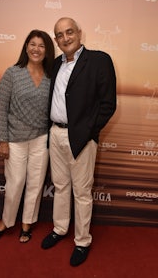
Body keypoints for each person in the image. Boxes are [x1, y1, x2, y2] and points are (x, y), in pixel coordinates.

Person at [41, 17, 116, 266]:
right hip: (56, 133)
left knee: (82, 193)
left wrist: (88, 131)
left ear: (79, 33)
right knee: (60, 186)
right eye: (59, 35)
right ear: (56, 40)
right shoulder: (55, 64)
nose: (65, 38)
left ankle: (82, 241)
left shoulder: (99, 60)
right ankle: (60, 228)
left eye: (69, 32)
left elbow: (108, 104)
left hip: (81, 137)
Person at [0, 29, 55, 243]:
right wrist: (3, 140)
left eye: (41, 45)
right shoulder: (12, 73)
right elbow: (1, 108)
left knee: (35, 184)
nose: (36, 49)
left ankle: (27, 222)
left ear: (47, 50)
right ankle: (6, 221)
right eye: (32, 44)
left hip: (41, 139)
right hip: (15, 139)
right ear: (26, 47)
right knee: (15, 183)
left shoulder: (51, 76)